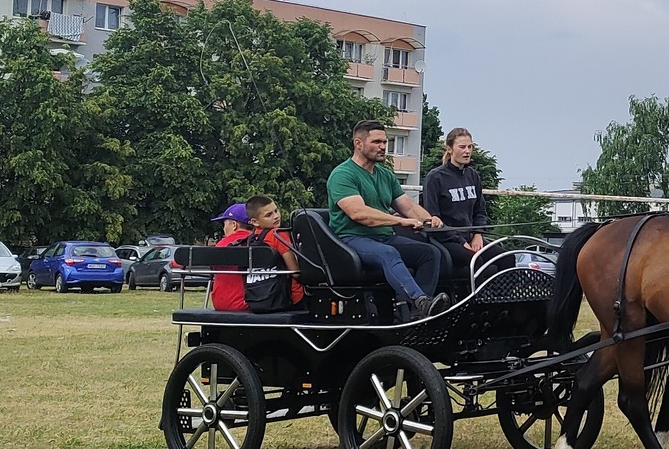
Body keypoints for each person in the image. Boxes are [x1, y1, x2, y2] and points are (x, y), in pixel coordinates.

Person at [328, 119, 447, 319]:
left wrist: (430, 219)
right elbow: (359, 213)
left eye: (385, 142)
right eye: (377, 142)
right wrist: (400, 221)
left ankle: (418, 313)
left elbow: (408, 207)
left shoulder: (385, 175)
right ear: (358, 144)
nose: (383, 147)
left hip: (384, 237)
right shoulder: (342, 175)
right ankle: (420, 300)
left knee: (430, 253)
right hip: (352, 239)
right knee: (388, 253)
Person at [421, 128, 494, 283]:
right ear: (449, 149)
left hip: (472, 236)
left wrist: (478, 234)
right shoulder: (435, 177)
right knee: (477, 262)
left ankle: (501, 298)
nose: (467, 151)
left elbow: (480, 211)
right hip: (447, 240)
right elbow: (433, 217)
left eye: (470, 147)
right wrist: (461, 242)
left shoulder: (473, 175)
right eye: (462, 147)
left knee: (506, 258)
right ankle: (477, 298)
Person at [210, 195, 304, 312]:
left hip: (253, 300)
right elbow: (295, 272)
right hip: (288, 298)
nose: (276, 216)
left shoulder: (250, 240)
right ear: (253, 222)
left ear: (234, 225)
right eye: (269, 215)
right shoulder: (278, 235)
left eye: (276, 211)